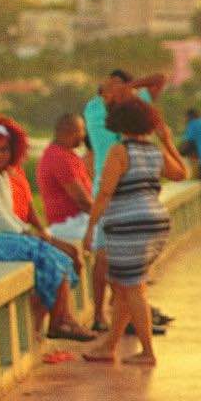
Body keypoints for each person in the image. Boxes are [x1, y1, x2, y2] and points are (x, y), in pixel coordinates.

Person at [0, 117, 95, 341]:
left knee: (60, 259)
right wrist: (26, 233)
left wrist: (29, 232)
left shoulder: (1, 174)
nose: (1, 155)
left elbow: (11, 213)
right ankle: (61, 322)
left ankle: (59, 320)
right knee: (52, 259)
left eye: (5, 149)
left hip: (2, 238)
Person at [81, 98, 188, 366]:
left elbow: (105, 192)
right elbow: (181, 174)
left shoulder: (119, 152)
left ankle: (148, 351)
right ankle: (110, 345)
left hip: (128, 225)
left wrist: (91, 228)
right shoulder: (153, 152)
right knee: (126, 286)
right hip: (155, 222)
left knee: (132, 288)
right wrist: (167, 141)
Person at [85, 69, 166, 328]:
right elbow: (106, 192)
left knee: (130, 270)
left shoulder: (132, 110)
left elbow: (159, 78)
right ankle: (101, 315)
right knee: (105, 256)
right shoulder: (96, 109)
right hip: (110, 185)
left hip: (132, 194)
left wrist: (131, 86)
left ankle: (125, 321)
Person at [38, 114, 94, 245]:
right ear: (70, 131)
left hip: (78, 220)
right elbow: (83, 201)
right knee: (116, 232)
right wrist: (106, 215)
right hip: (69, 224)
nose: (84, 134)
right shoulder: (59, 157)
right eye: (82, 130)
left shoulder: (66, 154)